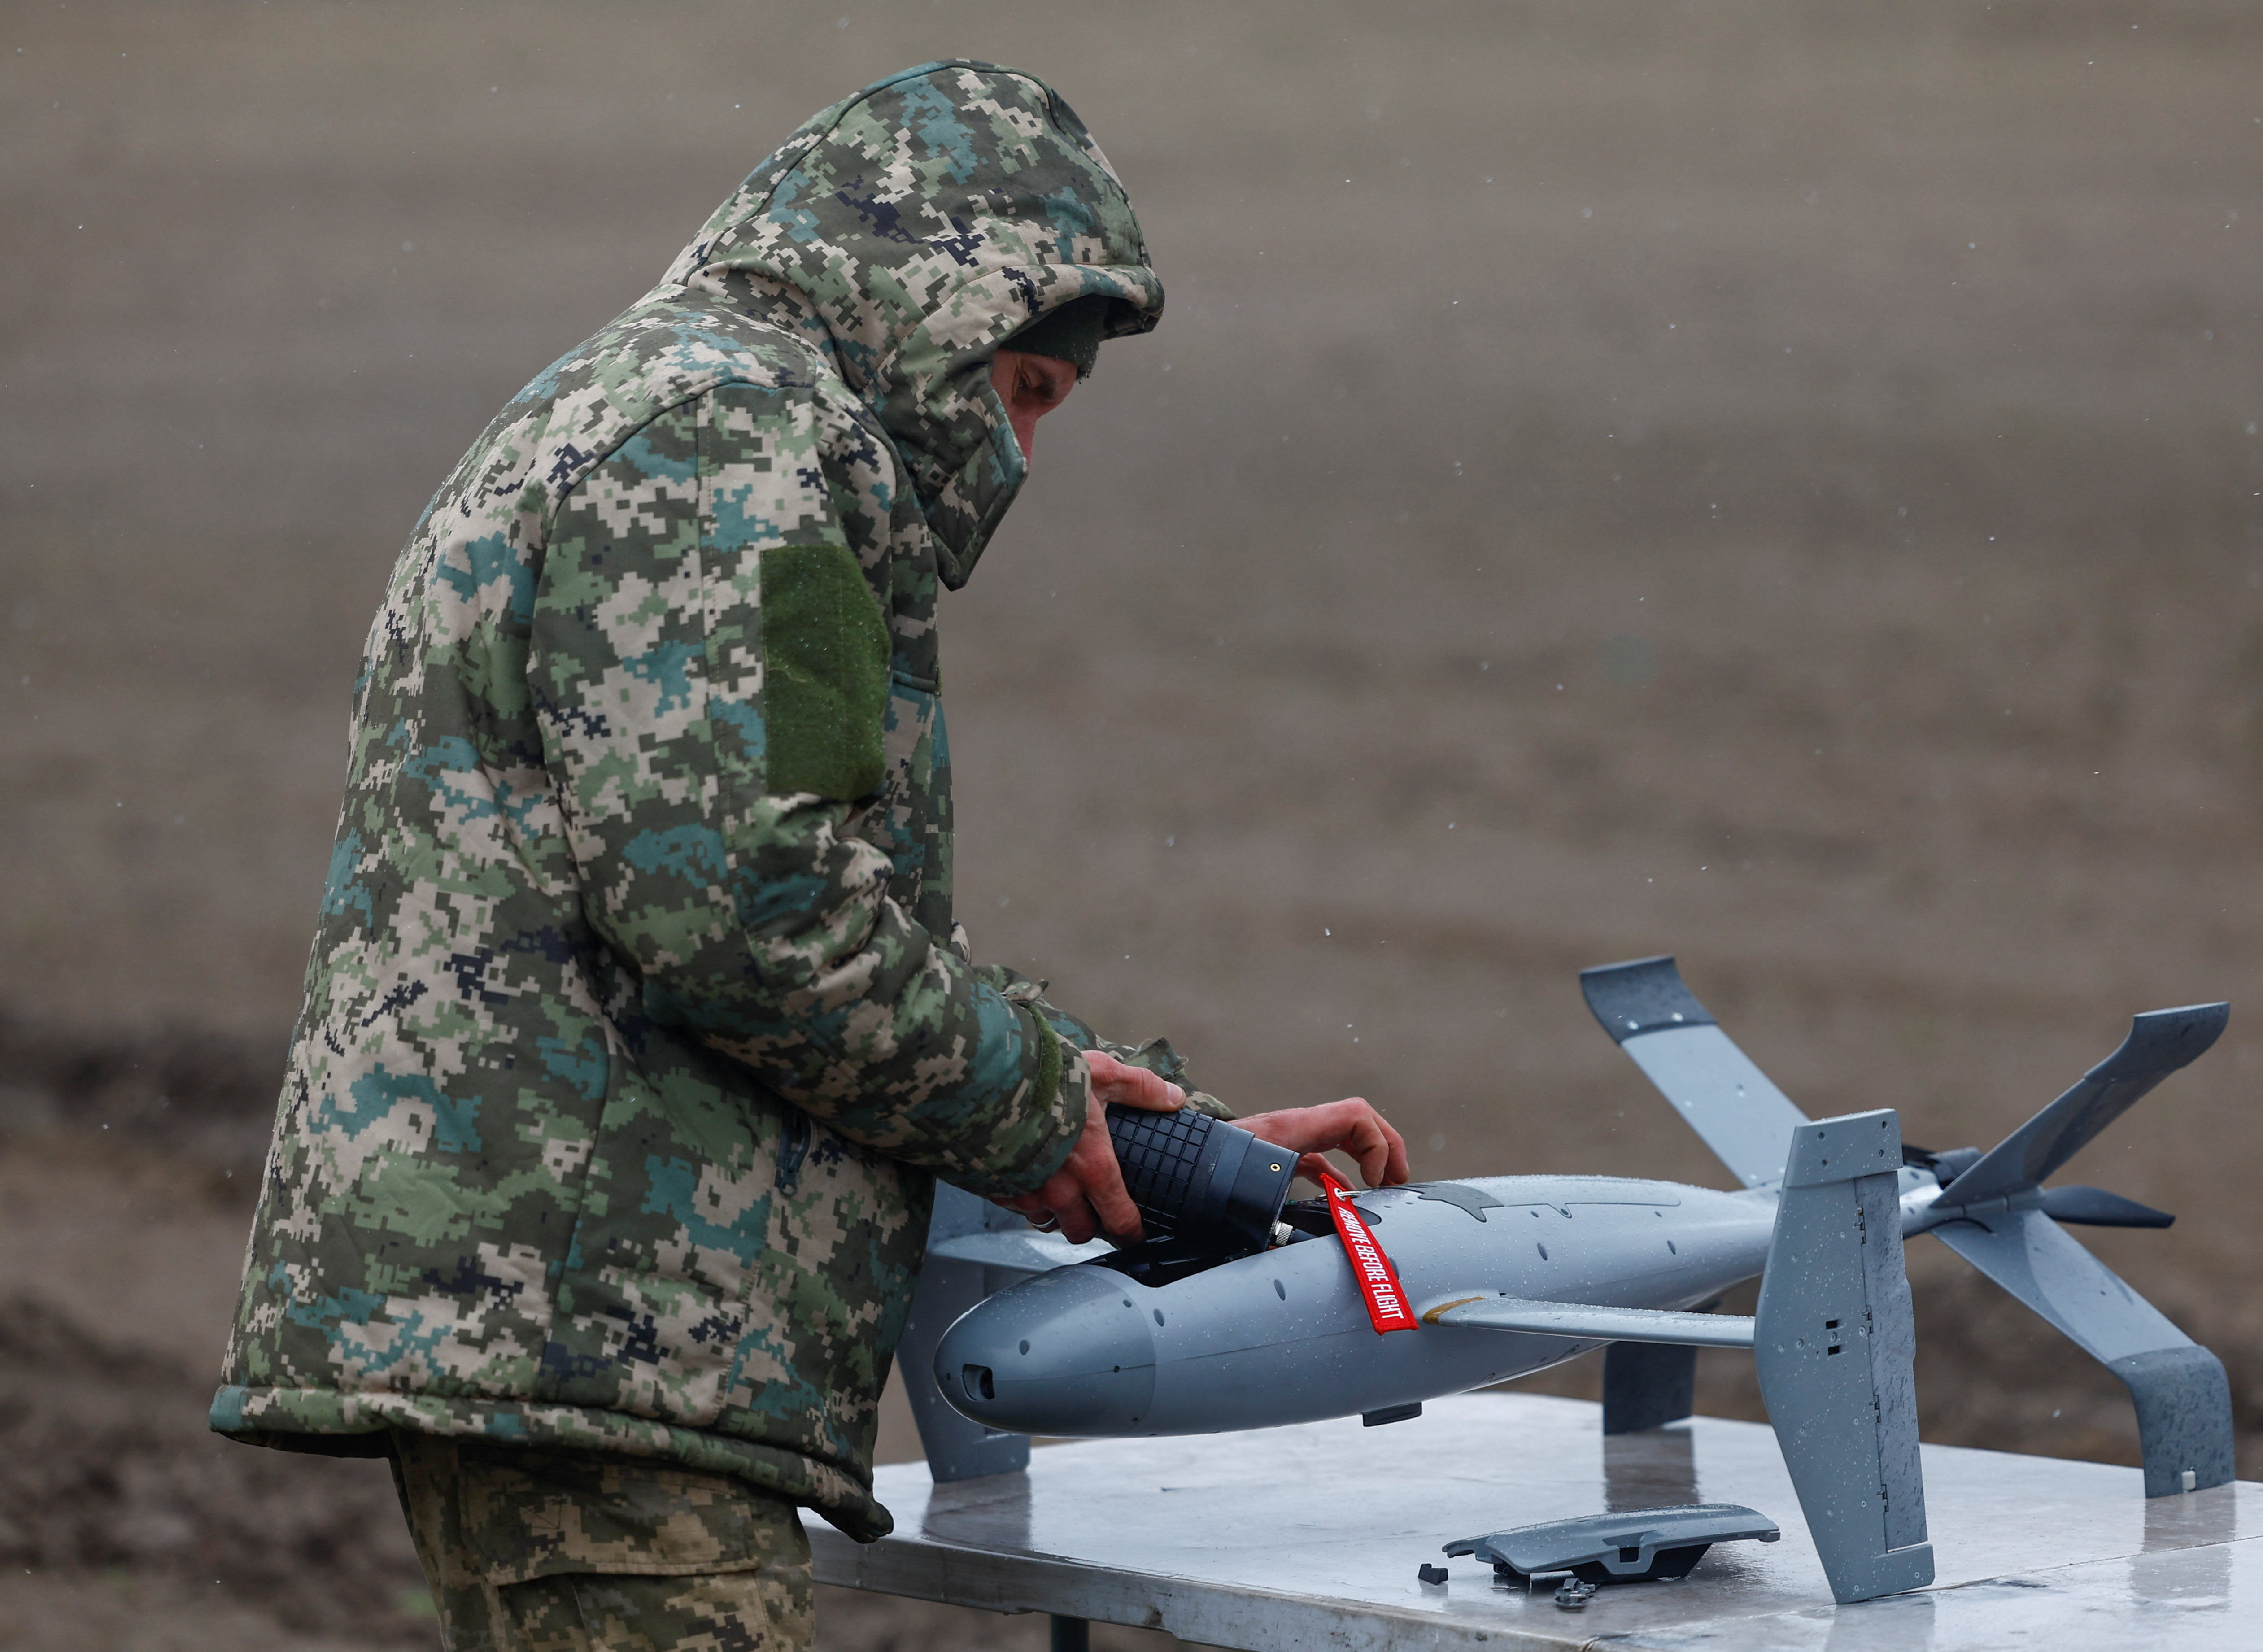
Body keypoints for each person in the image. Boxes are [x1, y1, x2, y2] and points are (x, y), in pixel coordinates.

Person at [213, 60, 1408, 1651]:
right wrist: (1025, 1097)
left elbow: (778, 880)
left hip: (578, 1326)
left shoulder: (687, 412)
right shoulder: (732, 443)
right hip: (594, 1329)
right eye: (1028, 390)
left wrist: (1105, 1110)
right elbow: (744, 901)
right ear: (939, 303)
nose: (1024, 454)